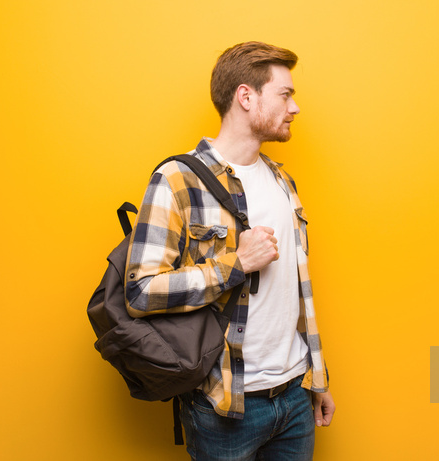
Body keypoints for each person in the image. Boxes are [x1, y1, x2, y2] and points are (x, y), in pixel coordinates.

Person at [124, 41, 334, 460]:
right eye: (285, 94)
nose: (295, 108)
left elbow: (297, 292)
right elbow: (140, 291)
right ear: (245, 96)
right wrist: (234, 263)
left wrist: (318, 377)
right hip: (224, 405)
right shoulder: (177, 180)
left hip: (294, 396)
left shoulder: (282, 181)